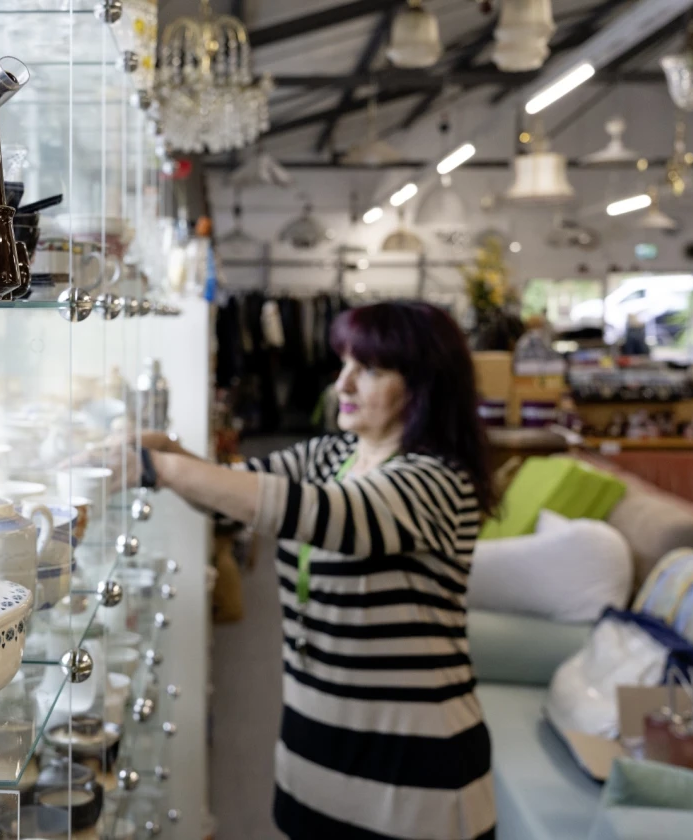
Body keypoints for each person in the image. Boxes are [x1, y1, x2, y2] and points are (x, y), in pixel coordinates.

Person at [124, 301, 497, 840]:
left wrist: (158, 466)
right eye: (344, 363)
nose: (343, 384)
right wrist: (164, 450)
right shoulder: (332, 455)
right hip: (314, 748)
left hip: (414, 766)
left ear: (424, 385)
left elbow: (314, 511)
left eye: (370, 370)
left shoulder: (437, 480)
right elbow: (230, 497)